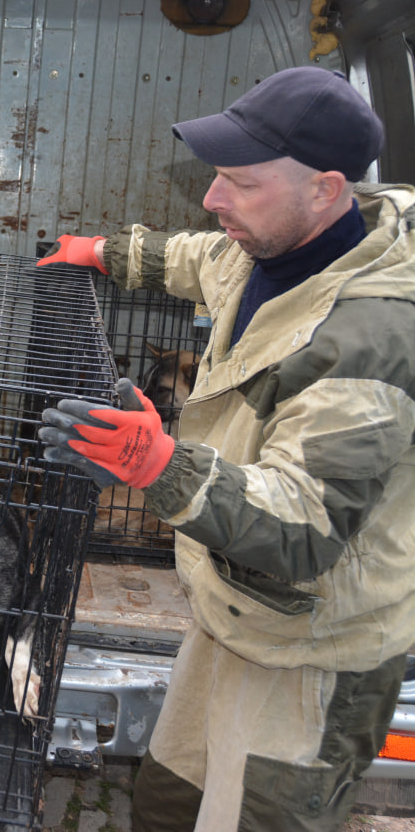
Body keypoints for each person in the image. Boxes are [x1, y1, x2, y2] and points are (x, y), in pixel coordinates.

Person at [36, 66, 415, 831]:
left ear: (327, 188)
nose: (213, 199)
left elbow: (304, 531)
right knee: (169, 804)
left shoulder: (369, 342)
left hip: (313, 647)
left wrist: (156, 465)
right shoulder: (270, 249)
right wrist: (101, 250)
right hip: (231, 613)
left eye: (240, 182)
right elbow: (194, 256)